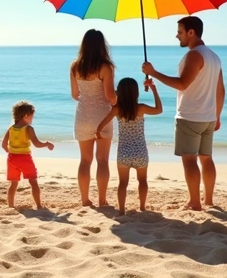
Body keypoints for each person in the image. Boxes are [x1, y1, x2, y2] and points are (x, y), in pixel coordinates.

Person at [142, 16, 224, 211]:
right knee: (206, 158)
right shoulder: (214, 57)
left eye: (180, 32)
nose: (177, 35)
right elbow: (220, 90)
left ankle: (194, 202)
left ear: (191, 32)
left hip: (190, 116)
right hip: (208, 117)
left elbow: (182, 84)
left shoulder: (195, 55)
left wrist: (153, 72)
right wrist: (217, 115)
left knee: (189, 159)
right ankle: (208, 200)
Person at [96, 77, 163, 215]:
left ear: (119, 93)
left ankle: (121, 210)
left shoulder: (117, 110)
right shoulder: (141, 108)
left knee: (123, 183)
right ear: (136, 93)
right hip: (140, 152)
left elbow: (101, 125)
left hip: (124, 153)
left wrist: (98, 133)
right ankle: (142, 207)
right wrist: (154, 89)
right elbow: (159, 110)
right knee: (142, 180)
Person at [70, 29, 118, 207]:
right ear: (101, 46)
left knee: (85, 160)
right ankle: (102, 200)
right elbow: (110, 97)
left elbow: (75, 94)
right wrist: (119, 100)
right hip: (102, 117)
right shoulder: (105, 67)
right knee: (103, 160)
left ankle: (85, 200)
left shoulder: (75, 66)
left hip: (83, 116)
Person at [2, 100, 54, 209]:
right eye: (32, 117)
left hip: (12, 158)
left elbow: (3, 145)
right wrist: (47, 144)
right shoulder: (28, 129)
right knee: (33, 181)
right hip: (25, 158)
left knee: (13, 184)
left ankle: (11, 206)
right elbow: (36, 143)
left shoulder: (11, 128)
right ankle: (39, 205)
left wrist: (11, 152)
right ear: (26, 115)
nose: (32, 119)